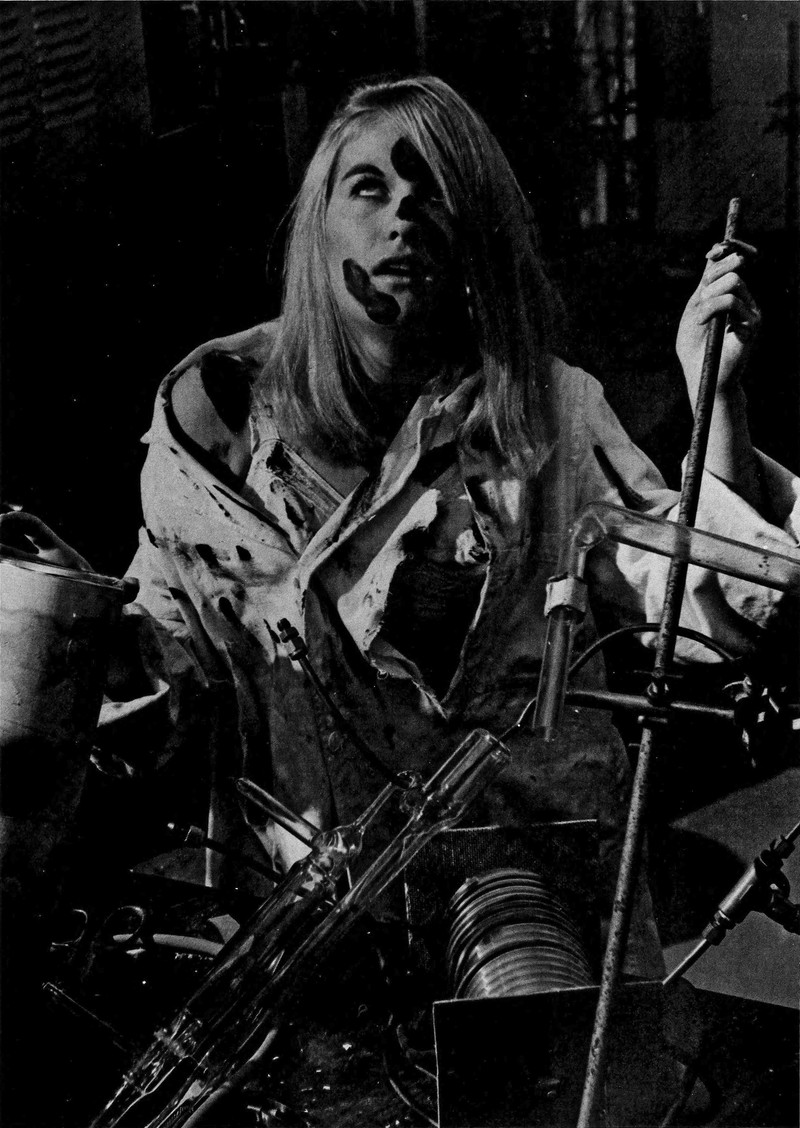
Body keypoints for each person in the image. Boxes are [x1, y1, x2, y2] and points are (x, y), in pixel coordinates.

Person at [3, 76, 798, 982]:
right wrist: (88, 625)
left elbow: (707, 594)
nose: (404, 218)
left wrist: (717, 396)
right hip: (317, 928)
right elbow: (176, 664)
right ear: (319, 225)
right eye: (369, 187)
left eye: (435, 193)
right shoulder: (217, 422)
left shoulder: (541, 416)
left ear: (476, 234)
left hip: (526, 904)